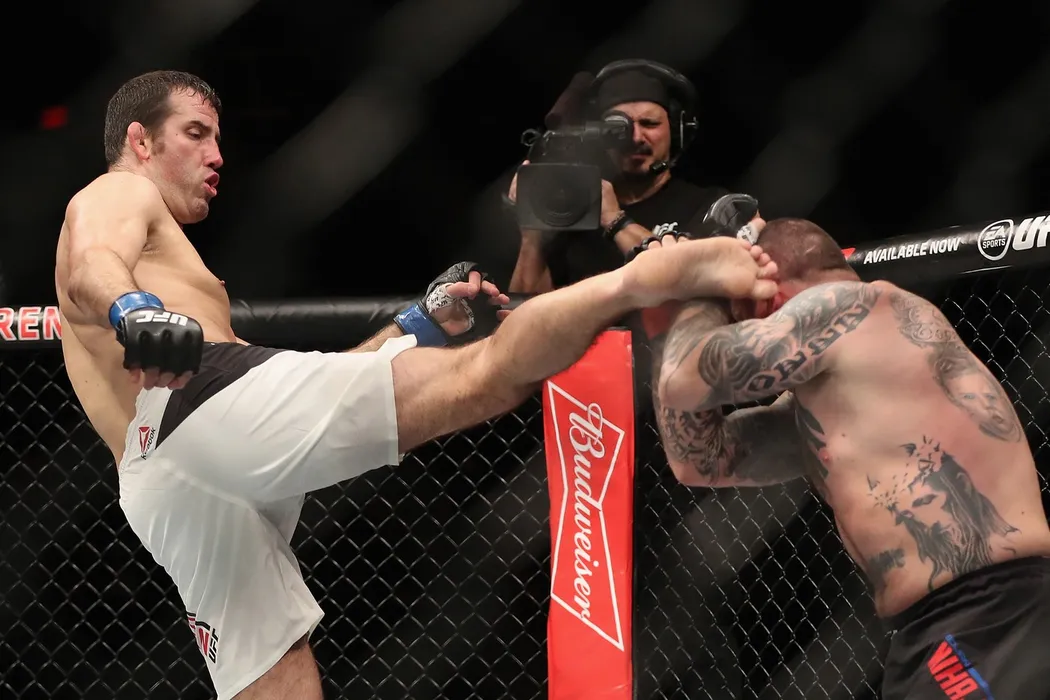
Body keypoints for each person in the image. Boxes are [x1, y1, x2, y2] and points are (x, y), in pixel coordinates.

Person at [54, 70, 779, 700]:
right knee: (483, 373)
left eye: (217, 138)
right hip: (193, 413)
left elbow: (275, 391)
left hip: (166, 471)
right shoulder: (119, 192)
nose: (217, 155)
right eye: (195, 134)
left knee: (270, 669)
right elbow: (93, 265)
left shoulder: (172, 265)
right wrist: (135, 312)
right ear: (141, 141)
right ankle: (639, 278)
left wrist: (412, 329)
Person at [643, 218, 1050, 700]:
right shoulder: (835, 400)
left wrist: (697, 284)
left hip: (992, 615)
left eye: (737, 315)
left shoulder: (850, 305)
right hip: (942, 626)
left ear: (767, 289)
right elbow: (697, 460)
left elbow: (684, 380)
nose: (737, 327)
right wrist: (666, 323)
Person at [506, 59, 731, 293]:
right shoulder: (571, 213)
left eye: (649, 124)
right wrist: (532, 234)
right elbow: (521, 308)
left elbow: (692, 281)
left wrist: (615, 220)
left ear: (675, 133)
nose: (635, 138)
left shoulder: (710, 207)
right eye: (617, 128)